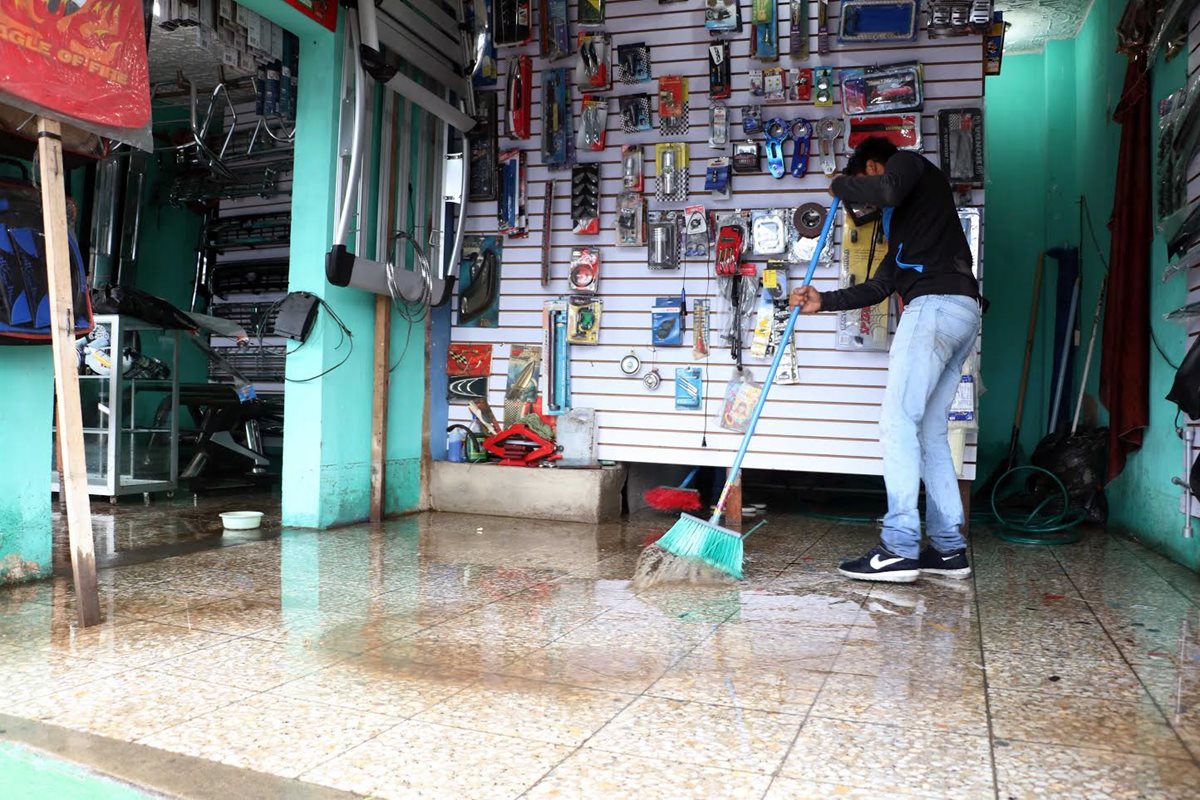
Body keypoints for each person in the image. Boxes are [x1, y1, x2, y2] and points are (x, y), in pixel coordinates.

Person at [790, 137, 983, 583]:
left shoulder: (907, 164)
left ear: (874, 167)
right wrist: (823, 300)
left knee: (896, 422)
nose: (863, 201)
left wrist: (840, 184)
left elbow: (887, 190)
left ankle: (898, 546)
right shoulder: (908, 227)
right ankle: (950, 550)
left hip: (934, 309)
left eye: (863, 182)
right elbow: (879, 287)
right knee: (931, 433)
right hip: (959, 313)